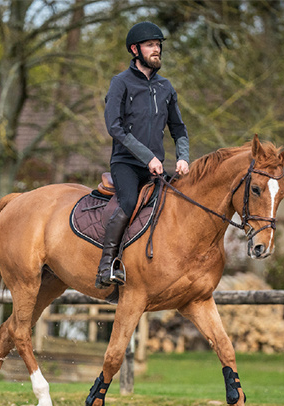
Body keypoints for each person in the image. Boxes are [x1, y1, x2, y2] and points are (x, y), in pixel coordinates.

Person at [95, 21, 190, 289]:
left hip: (155, 168)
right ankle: (107, 267)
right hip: (126, 164)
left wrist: (183, 156)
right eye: (151, 45)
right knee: (128, 202)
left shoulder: (166, 87)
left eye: (158, 45)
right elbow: (115, 127)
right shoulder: (120, 83)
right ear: (135, 50)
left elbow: (178, 128)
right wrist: (147, 157)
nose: (156, 49)